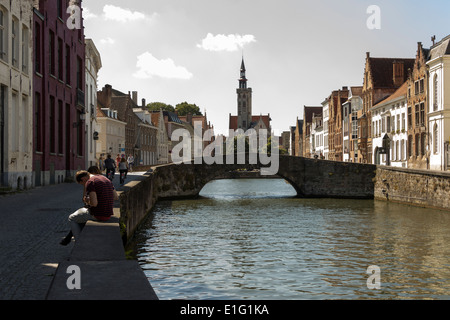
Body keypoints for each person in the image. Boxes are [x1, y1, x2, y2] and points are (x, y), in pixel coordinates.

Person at [60, 170, 119, 245]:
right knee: (81, 216)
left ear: (83, 179)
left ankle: (79, 244)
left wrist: (88, 200)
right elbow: (116, 197)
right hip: (108, 214)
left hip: (98, 214)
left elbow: (94, 204)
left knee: (72, 218)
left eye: (83, 184)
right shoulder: (105, 179)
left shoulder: (90, 182)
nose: (84, 186)